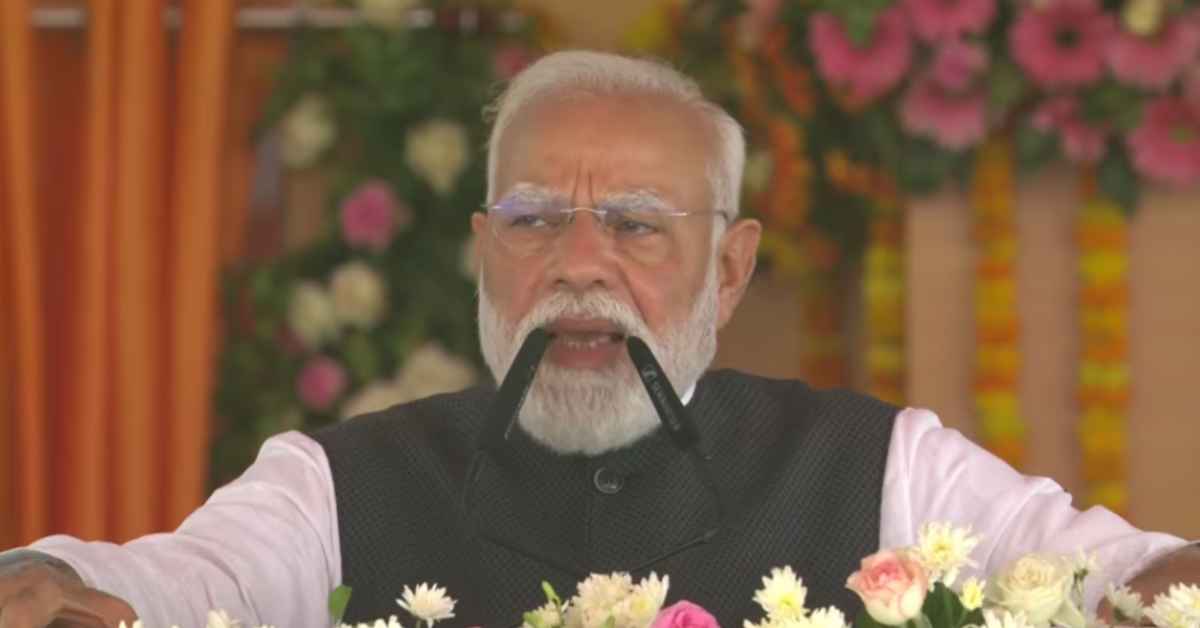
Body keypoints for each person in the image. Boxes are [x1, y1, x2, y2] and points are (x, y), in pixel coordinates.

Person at [1, 50, 1196, 628]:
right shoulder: (331, 486)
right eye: (533, 220)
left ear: (730, 267)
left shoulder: (883, 467)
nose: (578, 265)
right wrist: (51, 582)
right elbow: (186, 582)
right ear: (484, 249)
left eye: (633, 224)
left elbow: (1111, 570)